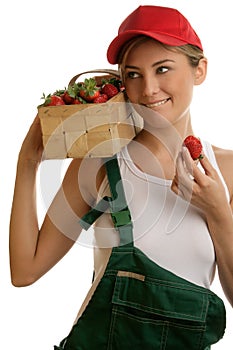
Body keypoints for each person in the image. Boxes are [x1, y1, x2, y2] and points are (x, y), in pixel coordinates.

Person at [9, 5, 233, 349]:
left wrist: (219, 213)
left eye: (162, 69)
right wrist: (27, 162)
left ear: (199, 69)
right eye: (133, 74)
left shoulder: (226, 171)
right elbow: (25, 271)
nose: (148, 89)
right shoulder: (100, 164)